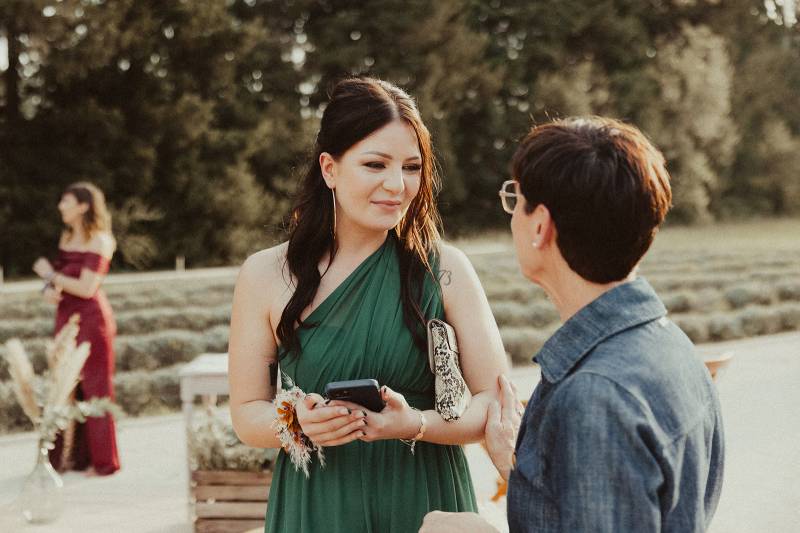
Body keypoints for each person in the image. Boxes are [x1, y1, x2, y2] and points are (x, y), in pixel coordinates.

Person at [227, 77, 509, 532]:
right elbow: (246, 413)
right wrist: (296, 422)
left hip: (424, 500)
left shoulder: (446, 269)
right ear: (329, 169)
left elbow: (493, 406)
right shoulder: (264, 275)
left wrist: (415, 423)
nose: (397, 185)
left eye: (412, 167)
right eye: (375, 164)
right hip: (318, 505)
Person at [421, 117, 725, 532]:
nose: (512, 216)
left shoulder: (595, 397)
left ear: (540, 225)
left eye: (516, 200)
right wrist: (516, 466)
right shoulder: (671, 346)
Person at [32, 181, 120, 476]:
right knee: (64, 388)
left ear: (83, 206)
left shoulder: (101, 240)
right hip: (65, 317)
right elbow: (58, 282)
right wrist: (48, 287)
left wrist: (50, 274)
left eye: (66, 201)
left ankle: (104, 462)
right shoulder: (67, 236)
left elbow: (86, 287)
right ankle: (68, 459)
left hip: (92, 320)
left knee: (96, 389)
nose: (60, 206)